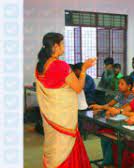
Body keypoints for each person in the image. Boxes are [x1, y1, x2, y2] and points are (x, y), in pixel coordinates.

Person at [35, 32, 96, 168]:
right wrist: (84, 69)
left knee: (54, 147)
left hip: (51, 119)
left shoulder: (39, 67)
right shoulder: (60, 66)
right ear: (55, 46)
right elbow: (79, 88)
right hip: (64, 120)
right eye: (62, 44)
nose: (64, 47)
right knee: (67, 146)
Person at [89, 76, 134, 168]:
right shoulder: (120, 94)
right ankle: (107, 161)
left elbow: (119, 109)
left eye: (122, 84)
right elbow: (110, 105)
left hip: (127, 122)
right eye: (119, 84)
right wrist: (100, 107)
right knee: (104, 135)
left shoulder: (132, 96)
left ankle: (108, 162)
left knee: (110, 137)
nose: (119, 86)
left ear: (129, 86)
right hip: (118, 120)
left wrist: (102, 107)